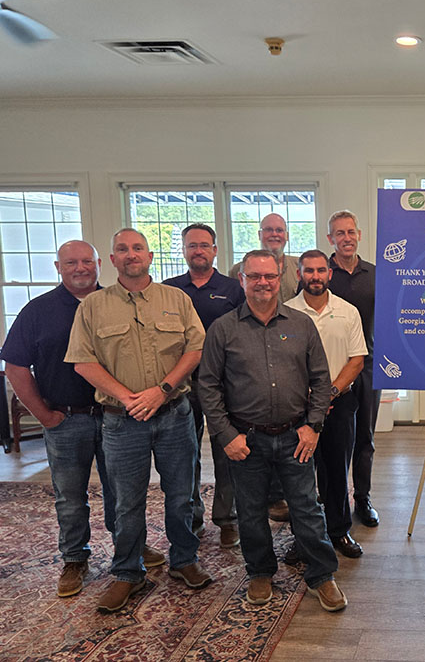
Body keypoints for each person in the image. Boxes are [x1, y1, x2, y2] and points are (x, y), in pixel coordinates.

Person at [65, 228, 211, 614]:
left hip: (174, 414)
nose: (131, 254)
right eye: (122, 249)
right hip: (120, 420)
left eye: (138, 248)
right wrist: (129, 397)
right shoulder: (93, 307)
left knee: (182, 494)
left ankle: (184, 560)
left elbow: (196, 347)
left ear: (149, 256)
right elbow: (83, 361)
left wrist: (161, 390)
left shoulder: (175, 299)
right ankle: (128, 573)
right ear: (111, 260)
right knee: (127, 502)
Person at [198, 249, 347, 611]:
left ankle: (322, 576)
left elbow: (321, 380)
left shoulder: (301, 324)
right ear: (242, 280)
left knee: (307, 510)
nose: (262, 283)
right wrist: (225, 435)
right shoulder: (223, 329)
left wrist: (313, 427)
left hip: (297, 437)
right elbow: (208, 386)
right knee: (249, 512)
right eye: (255, 276)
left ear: (280, 279)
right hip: (245, 441)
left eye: (269, 276)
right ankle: (260, 572)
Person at [0, 240, 124, 598]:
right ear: (58, 267)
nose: (80, 267)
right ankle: (74, 558)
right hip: (67, 420)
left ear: (101, 264)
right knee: (70, 496)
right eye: (72, 262)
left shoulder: (118, 304)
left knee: (123, 493)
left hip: (117, 418)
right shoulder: (38, 311)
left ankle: (128, 550)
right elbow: (16, 366)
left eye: (87, 261)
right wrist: (41, 414)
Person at [163, 223, 244, 547]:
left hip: (225, 383)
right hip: (181, 383)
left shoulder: (233, 288)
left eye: (204, 245)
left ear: (215, 250)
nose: (198, 250)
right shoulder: (169, 290)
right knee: (185, 453)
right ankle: (191, 518)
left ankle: (226, 519)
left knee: (227, 450)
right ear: (184, 251)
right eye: (192, 245)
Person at [286, 249, 368, 557]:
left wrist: (328, 394)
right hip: (298, 408)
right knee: (299, 475)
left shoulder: (348, 312)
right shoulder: (287, 312)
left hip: (339, 404)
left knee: (335, 471)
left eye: (321, 270)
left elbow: (357, 360)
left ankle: (339, 531)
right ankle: (302, 537)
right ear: (299, 274)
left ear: (329, 274)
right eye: (309, 271)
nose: (315, 276)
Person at [229, 212, 299, 521]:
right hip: (253, 352)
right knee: (258, 434)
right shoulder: (237, 268)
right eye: (268, 229)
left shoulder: (298, 266)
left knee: (288, 434)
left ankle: (287, 495)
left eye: (279, 230)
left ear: (287, 235)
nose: (274, 234)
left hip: (291, 351)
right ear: (260, 234)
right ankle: (266, 499)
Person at [327, 210, 380, 527]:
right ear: (330, 239)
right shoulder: (322, 274)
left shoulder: (375, 274)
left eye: (351, 232)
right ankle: (333, 501)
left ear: (359, 235)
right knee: (332, 442)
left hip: (370, 366)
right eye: (339, 233)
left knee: (365, 437)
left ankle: (363, 498)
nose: (346, 238)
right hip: (333, 370)